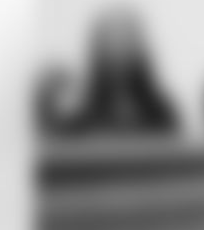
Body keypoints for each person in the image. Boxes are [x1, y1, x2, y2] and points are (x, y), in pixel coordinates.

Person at [68, 8, 179, 137]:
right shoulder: (82, 112)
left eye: (125, 39)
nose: (118, 47)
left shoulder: (161, 111)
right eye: (112, 40)